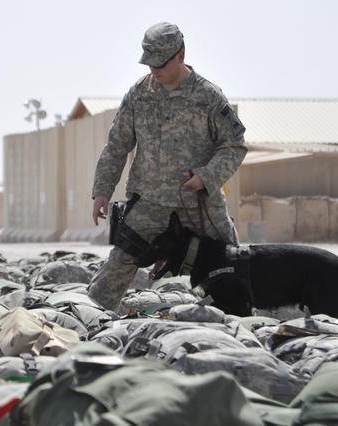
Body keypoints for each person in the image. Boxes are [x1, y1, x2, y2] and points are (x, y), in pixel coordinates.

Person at [87, 22, 247, 311]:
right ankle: (88, 319)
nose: (154, 70)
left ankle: (243, 324)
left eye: (160, 63)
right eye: (149, 64)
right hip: (149, 204)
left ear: (181, 55)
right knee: (119, 264)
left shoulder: (209, 97)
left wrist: (206, 176)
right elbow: (117, 145)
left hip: (199, 203)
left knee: (231, 265)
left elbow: (234, 144)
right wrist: (101, 191)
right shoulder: (138, 94)